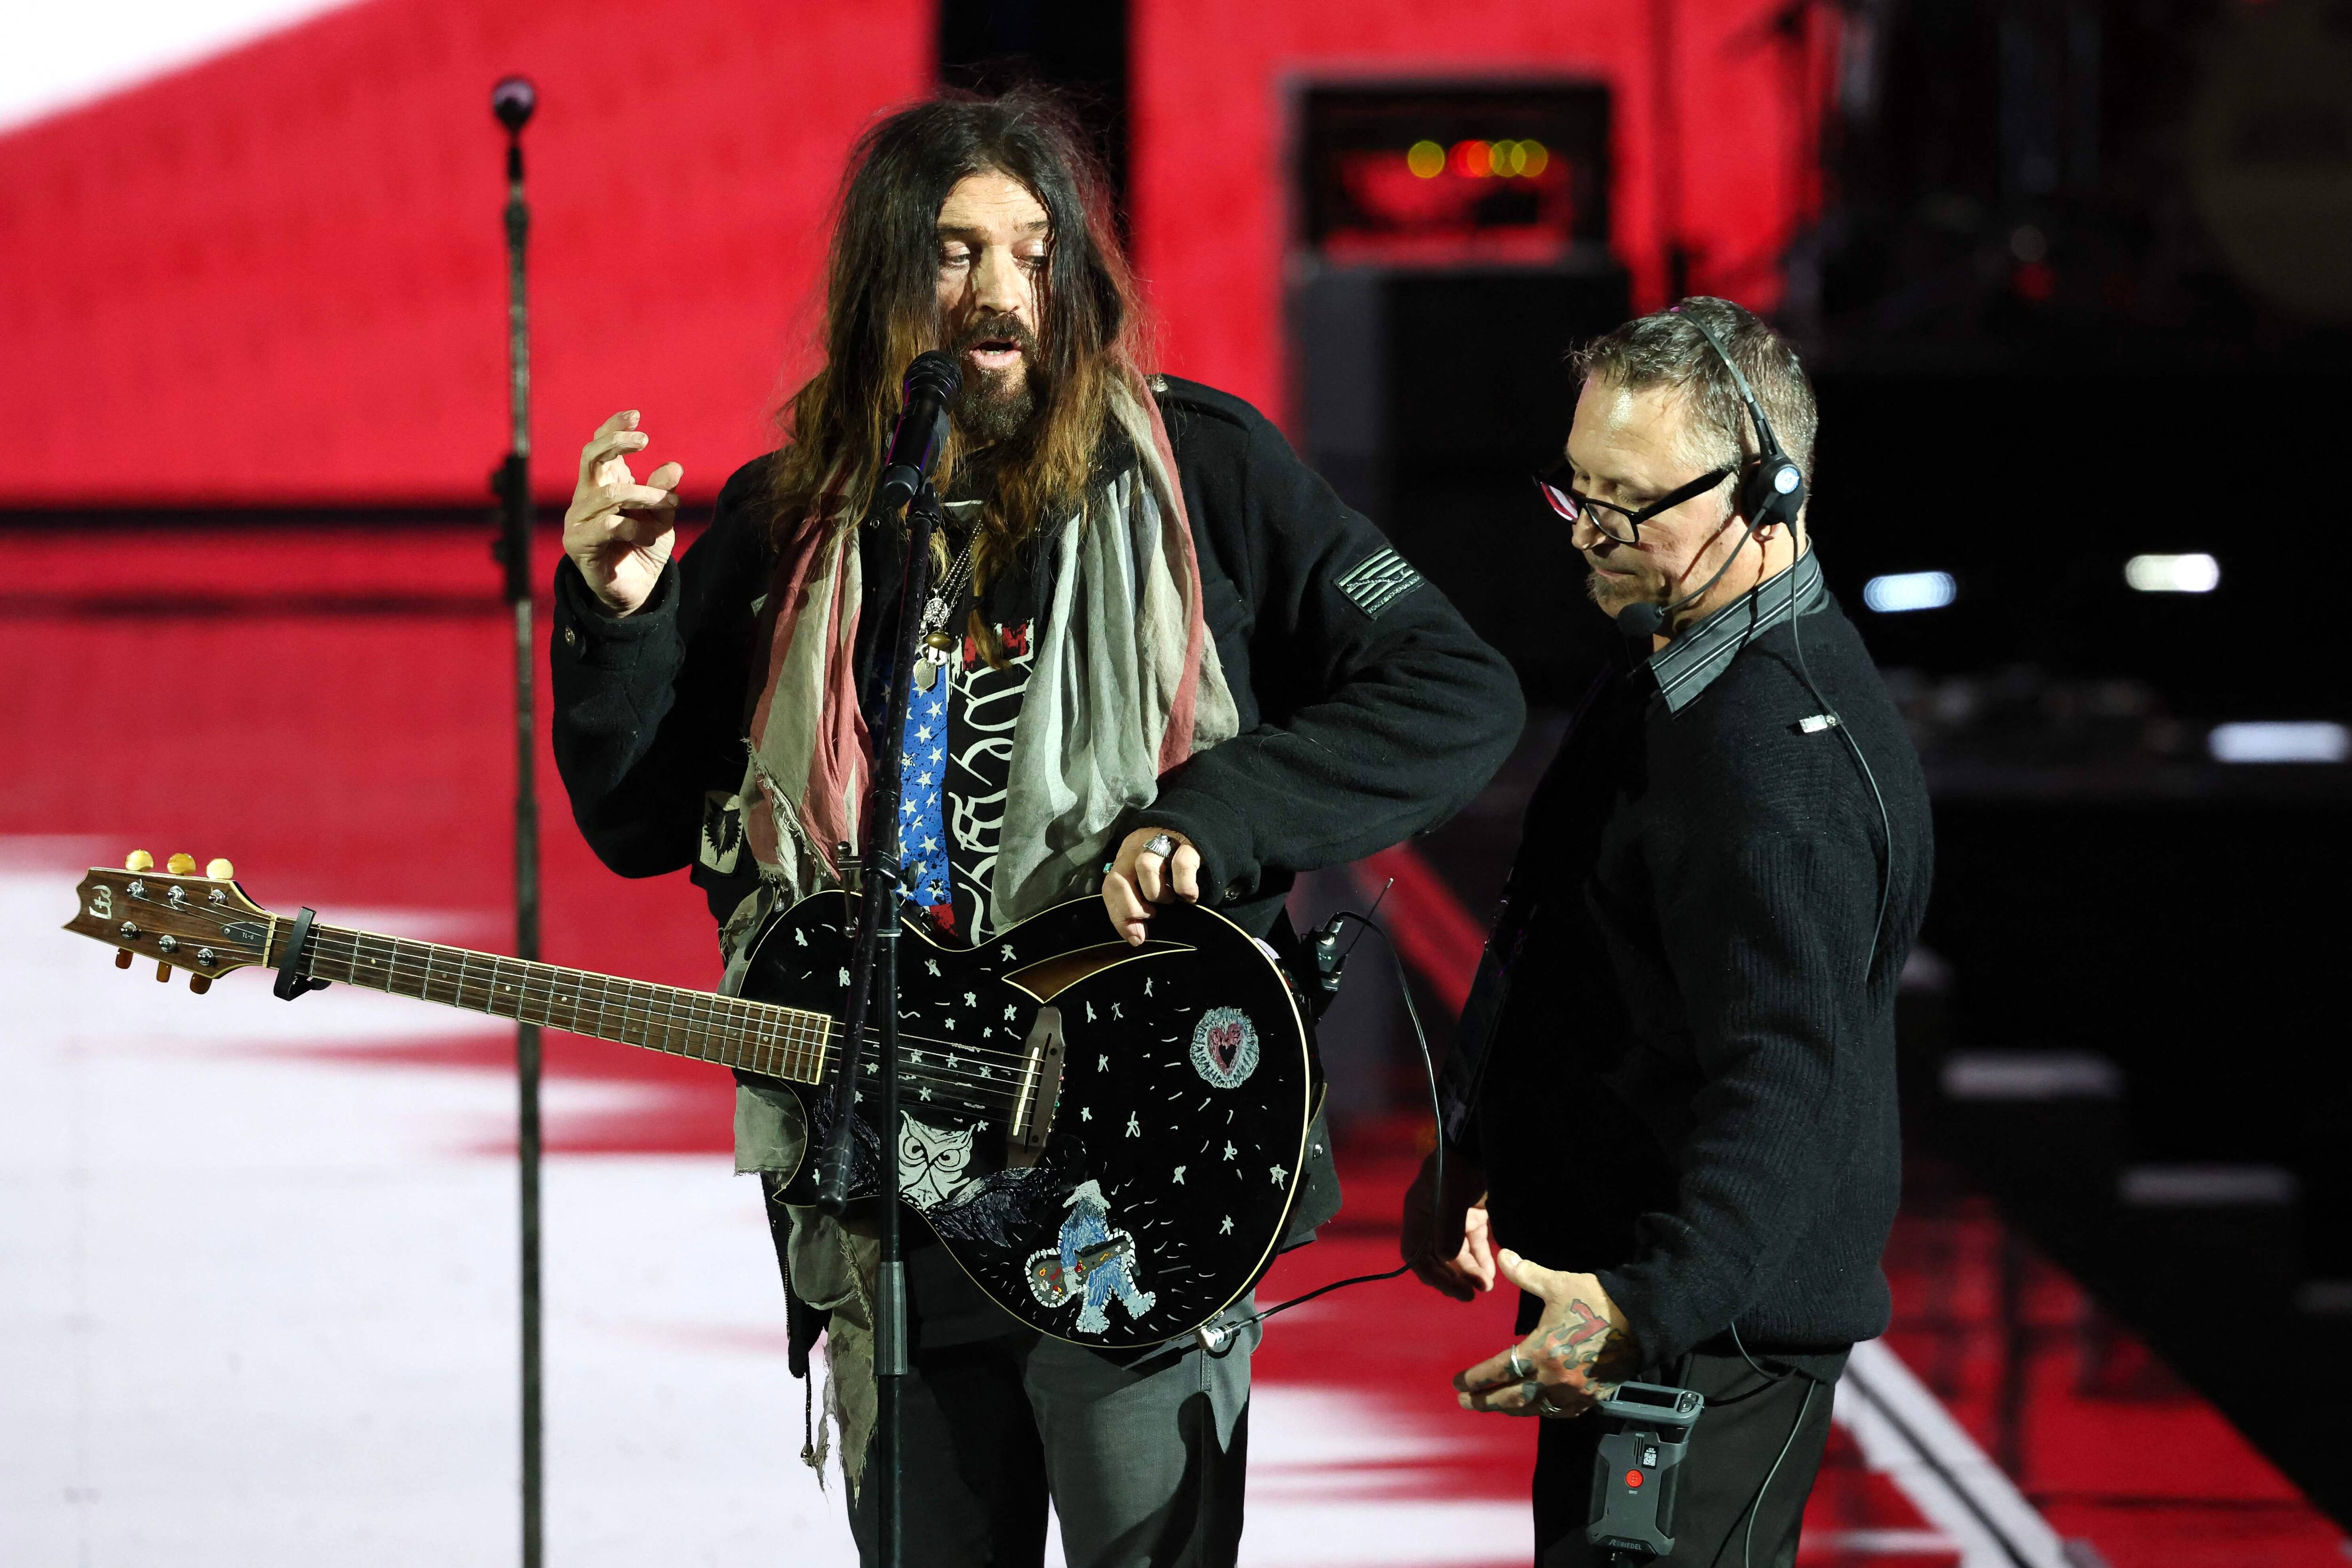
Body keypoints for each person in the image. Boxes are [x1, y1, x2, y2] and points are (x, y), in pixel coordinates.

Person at [548, 90, 1523, 1568]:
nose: (1000, 295)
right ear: (887, 283)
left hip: (1143, 1166)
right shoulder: (798, 518)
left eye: (1035, 251)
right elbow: (637, 821)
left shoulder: (1207, 474)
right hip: (899, 1192)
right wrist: (617, 625)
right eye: (952, 254)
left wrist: (1219, 810)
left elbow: (1458, 691)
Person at [1399, 297, 1932, 1567]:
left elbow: (1792, 1075)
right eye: (1576, 492)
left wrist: (1645, 1309)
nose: (1590, 534)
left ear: (1769, 493)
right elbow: (1554, 925)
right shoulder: (1678, 668)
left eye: (1629, 503)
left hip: (1706, 1341)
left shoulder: (1772, 756)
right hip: (1655, 1310)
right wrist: (1479, 1140)